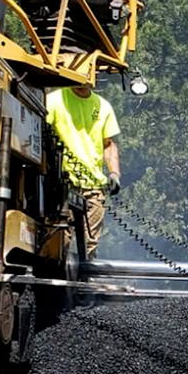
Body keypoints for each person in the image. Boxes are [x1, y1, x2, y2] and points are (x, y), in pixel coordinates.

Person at [45, 84, 121, 259]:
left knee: (89, 244)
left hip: (93, 187)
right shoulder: (55, 100)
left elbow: (108, 144)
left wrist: (114, 173)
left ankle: (85, 272)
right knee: (58, 239)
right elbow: (43, 134)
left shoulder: (103, 106)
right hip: (61, 183)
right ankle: (56, 272)